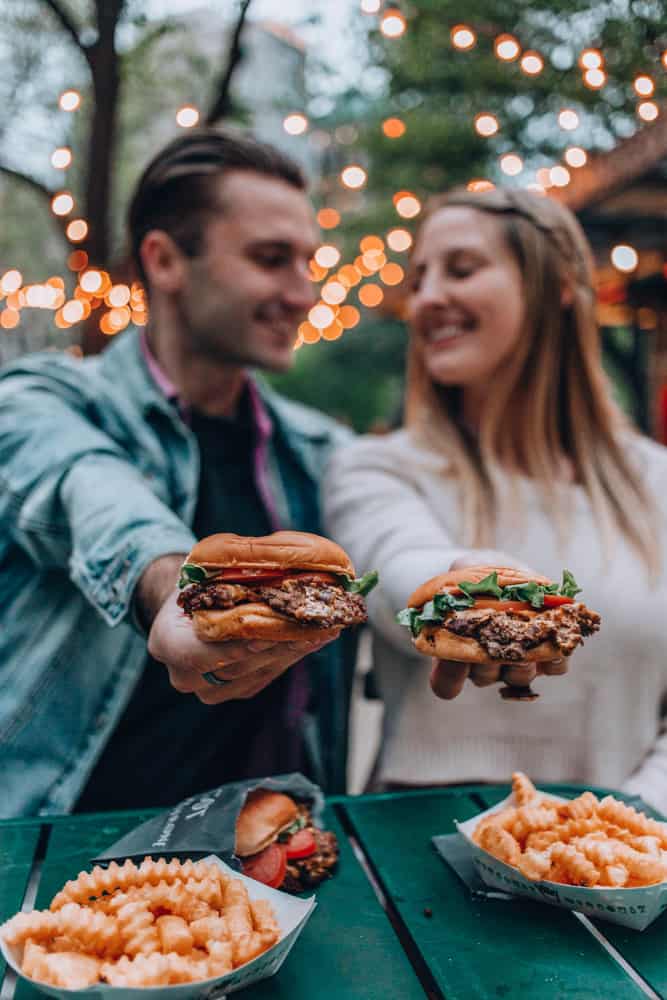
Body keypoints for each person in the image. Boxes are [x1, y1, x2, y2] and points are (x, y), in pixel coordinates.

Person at [0, 128, 357, 818]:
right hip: (57, 860)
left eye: (307, 263)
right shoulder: (41, 401)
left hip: (263, 874)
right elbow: (91, 492)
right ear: (164, 261)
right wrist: (179, 592)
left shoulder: (315, 448)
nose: (303, 292)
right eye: (270, 259)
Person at [324, 187, 667, 811]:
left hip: (623, 853)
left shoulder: (657, 483)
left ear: (558, 286)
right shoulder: (374, 467)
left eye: (462, 269)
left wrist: (630, 818)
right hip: (416, 853)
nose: (427, 299)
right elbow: (398, 566)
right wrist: (472, 591)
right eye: (420, 278)